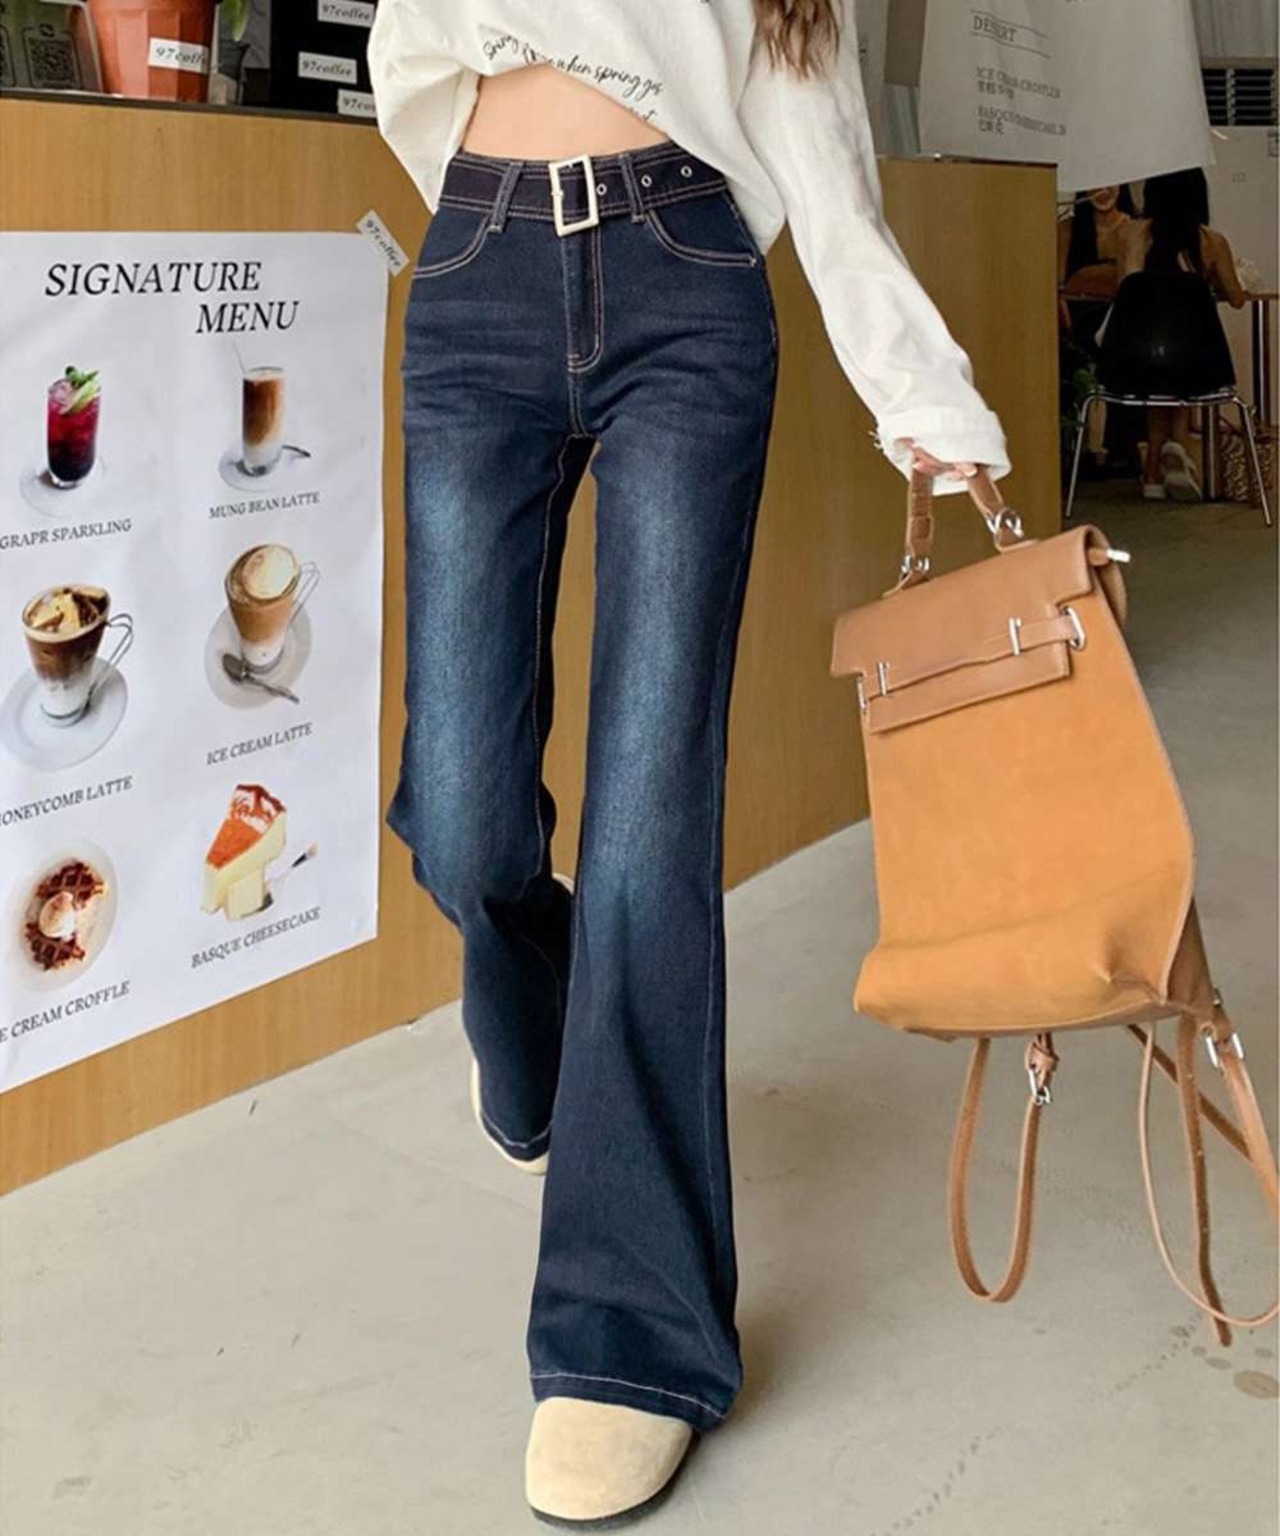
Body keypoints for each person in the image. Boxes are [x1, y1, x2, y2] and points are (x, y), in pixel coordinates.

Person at [366, 1, 1009, 1525]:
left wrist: (918, 389)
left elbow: (814, 126)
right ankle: (537, 1015)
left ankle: (629, 1340)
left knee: (651, 822)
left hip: (685, 275)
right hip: (479, 260)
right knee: (460, 814)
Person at [1108, 167, 1246, 500]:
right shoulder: (1210, 241)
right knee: (1178, 356)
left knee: (1161, 362)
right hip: (1196, 363)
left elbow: (1125, 289)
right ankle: (1176, 451)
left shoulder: (1131, 234)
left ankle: (1154, 469)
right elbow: (1237, 299)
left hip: (1134, 358)